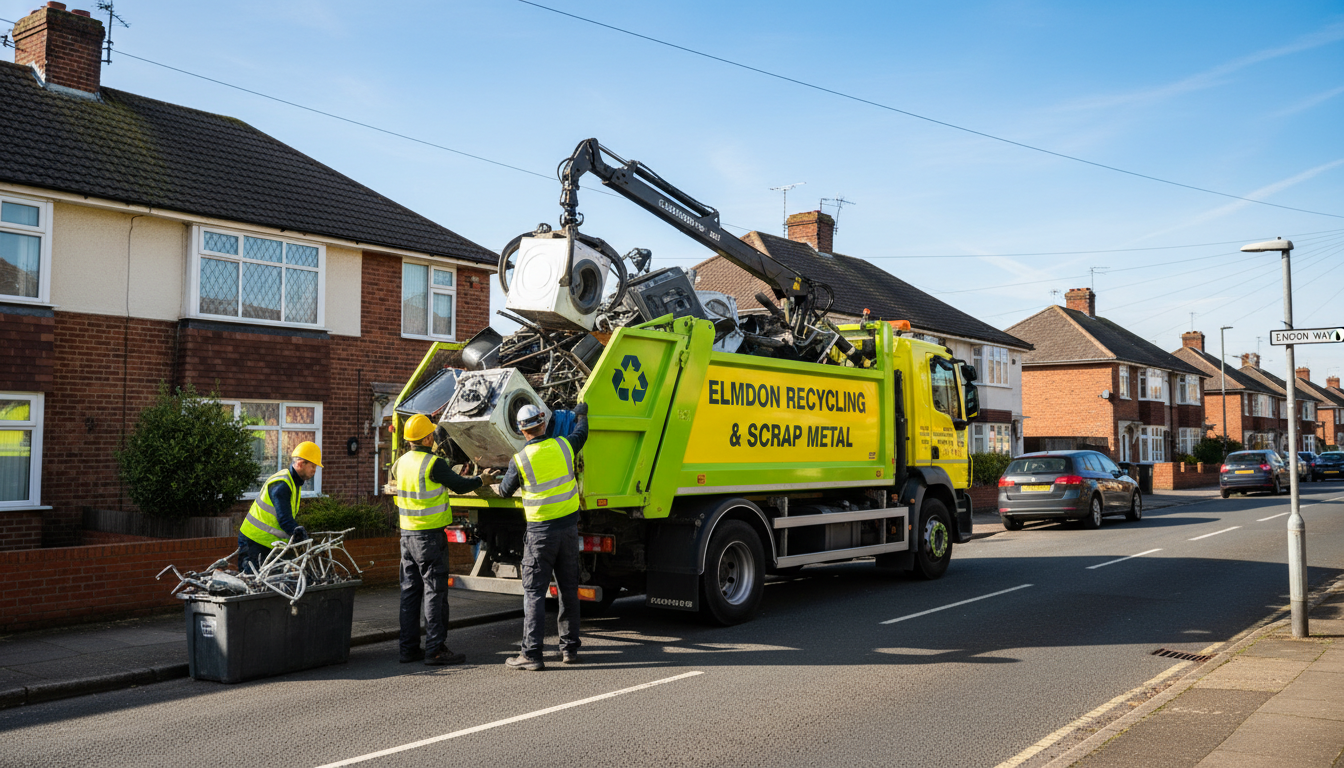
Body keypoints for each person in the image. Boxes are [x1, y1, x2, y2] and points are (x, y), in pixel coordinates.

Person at [393, 414, 497, 666]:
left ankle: (408, 649)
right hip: (429, 538)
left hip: (407, 537)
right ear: (428, 437)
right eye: (433, 435)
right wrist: (481, 479)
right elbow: (460, 486)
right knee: (435, 593)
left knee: (409, 594)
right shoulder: (433, 464)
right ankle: (436, 649)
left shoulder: (400, 463)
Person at [496, 401, 588, 671]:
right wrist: (581, 413)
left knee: (535, 592)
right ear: (544, 424)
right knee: (568, 590)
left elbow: (503, 491)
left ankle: (532, 654)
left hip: (540, 536)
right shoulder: (563, 445)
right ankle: (569, 649)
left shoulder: (520, 460)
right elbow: (582, 432)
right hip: (569, 531)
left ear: (522, 431)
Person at [238, 441, 321, 574]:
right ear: (300, 464)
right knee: (253, 583)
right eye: (312, 466)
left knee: (273, 581)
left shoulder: (293, 483)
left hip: (266, 542)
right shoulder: (282, 485)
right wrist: (299, 534)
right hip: (254, 541)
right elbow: (285, 520)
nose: (314, 470)